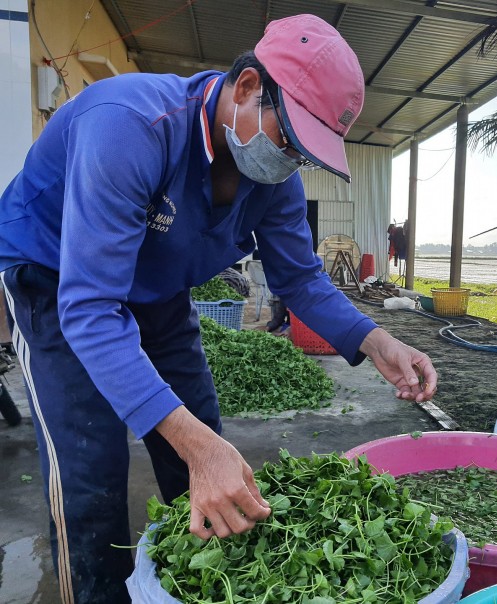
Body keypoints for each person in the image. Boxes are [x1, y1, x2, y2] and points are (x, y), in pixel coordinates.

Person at [0, 13, 437, 604]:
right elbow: (91, 311)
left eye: (305, 153)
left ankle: (199, 584)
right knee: (90, 471)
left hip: (156, 287)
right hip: (56, 281)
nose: (291, 161)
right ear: (251, 87)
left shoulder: (272, 177)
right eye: (291, 139)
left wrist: (376, 340)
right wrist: (199, 446)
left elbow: (301, 281)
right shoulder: (130, 127)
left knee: (205, 444)